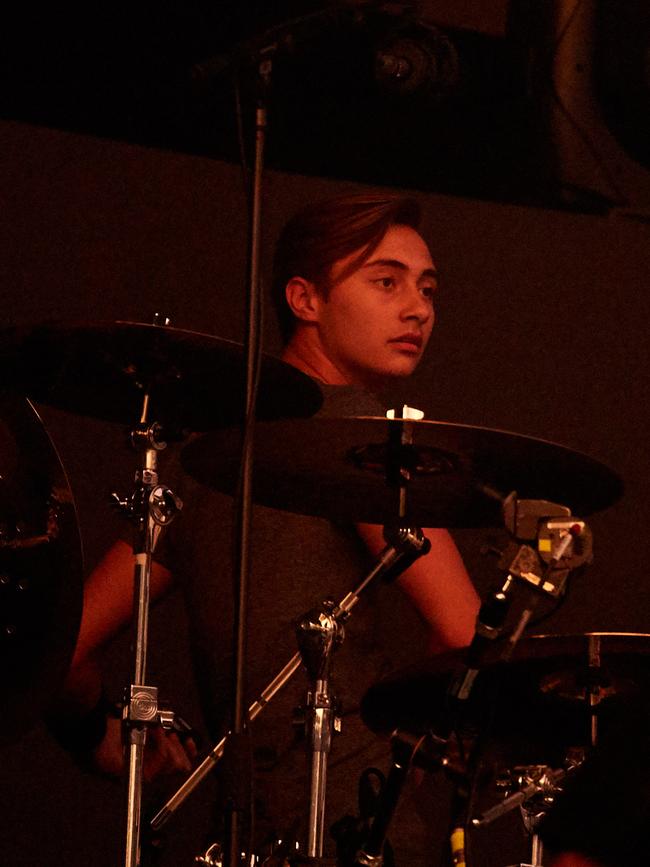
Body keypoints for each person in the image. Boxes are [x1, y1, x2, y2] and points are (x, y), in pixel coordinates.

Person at [48, 191, 480, 862]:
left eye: (427, 287)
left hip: (241, 834)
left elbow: (61, 648)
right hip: (351, 829)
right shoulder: (358, 435)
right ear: (304, 299)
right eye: (386, 280)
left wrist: (98, 739)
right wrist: (411, 744)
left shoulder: (204, 457)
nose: (418, 307)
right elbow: (464, 629)